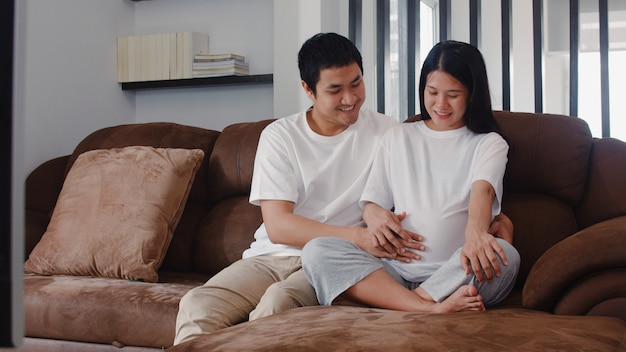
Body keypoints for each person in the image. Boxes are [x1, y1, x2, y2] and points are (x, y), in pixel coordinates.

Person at [173, 32, 427, 345]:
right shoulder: (280, 136)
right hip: (272, 257)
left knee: (278, 303)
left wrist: (493, 216)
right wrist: (360, 236)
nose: (350, 98)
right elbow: (279, 226)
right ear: (308, 89)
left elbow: (424, 189)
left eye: (356, 83)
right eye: (335, 90)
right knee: (197, 305)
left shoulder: (387, 131)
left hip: (332, 260)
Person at [302, 40, 521, 314]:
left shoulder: (489, 143)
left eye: (453, 95)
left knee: (505, 255)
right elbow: (372, 203)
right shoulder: (399, 136)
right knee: (317, 251)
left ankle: (406, 303)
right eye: (433, 92)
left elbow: (483, 192)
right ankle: (427, 307)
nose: (441, 104)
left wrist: (476, 233)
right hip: (394, 272)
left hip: (456, 272)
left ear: (473, 94)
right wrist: (374, 216)